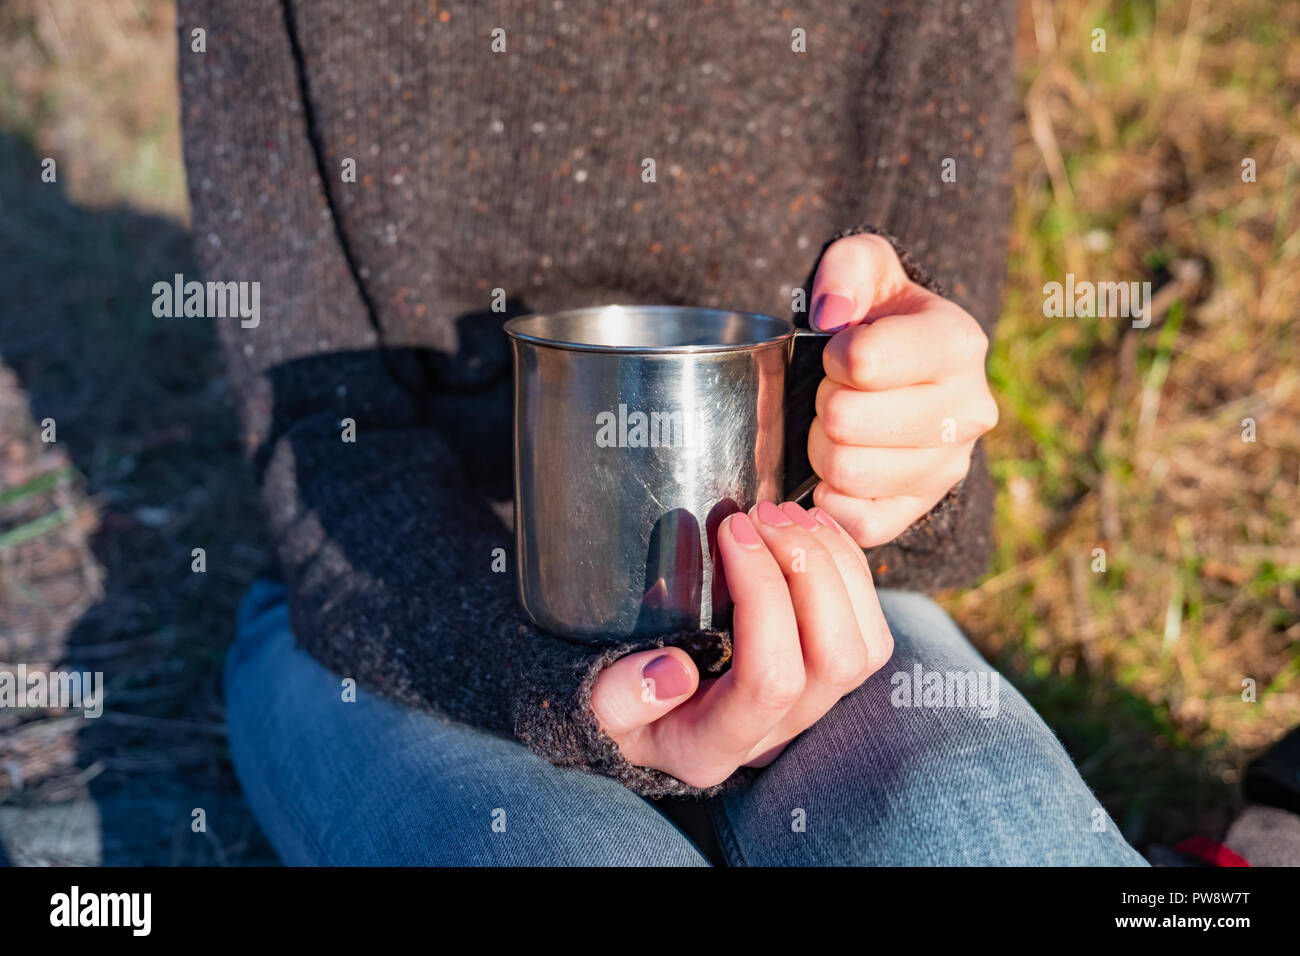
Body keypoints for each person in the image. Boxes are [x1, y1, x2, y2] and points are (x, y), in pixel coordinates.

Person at [180, 0, 1146, 865]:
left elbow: (917, 349)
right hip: (393, 606)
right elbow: (320, 437)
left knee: (990, 828)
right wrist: (551, 688)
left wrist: (899, 443)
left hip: (820, 611)